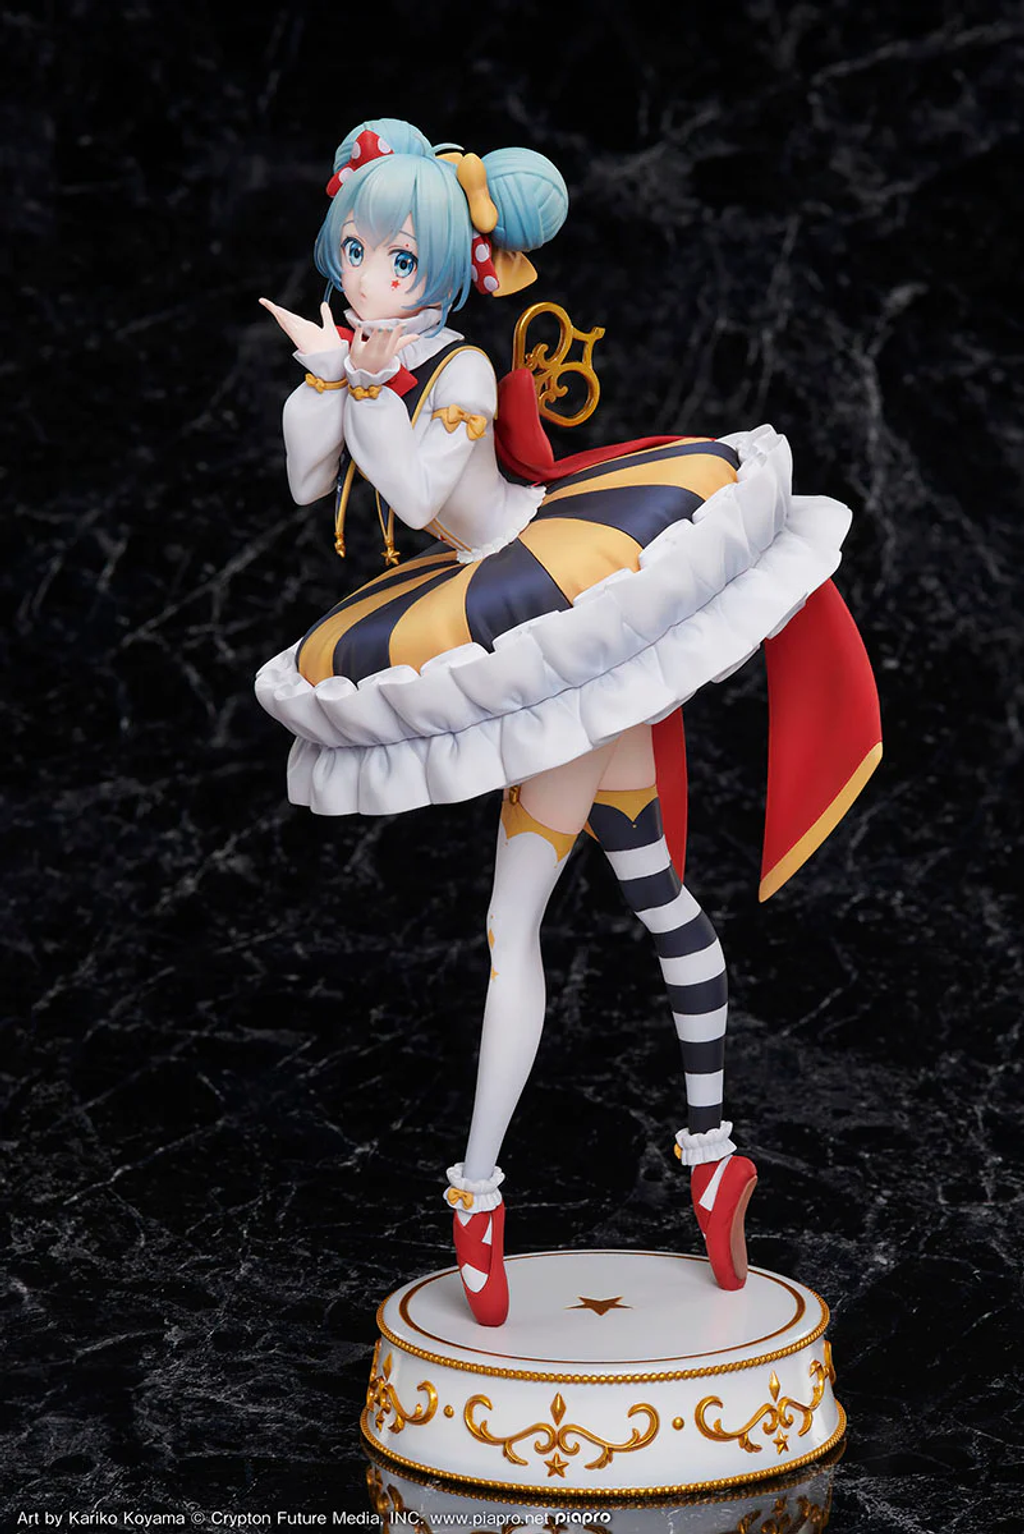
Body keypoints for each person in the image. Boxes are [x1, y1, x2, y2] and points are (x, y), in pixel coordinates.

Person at [257, 117, 881, 1326]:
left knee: (517, 925)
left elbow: (417, 492)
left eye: (398, 258)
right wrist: (329, 380)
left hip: (548, 606)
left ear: (449, 269)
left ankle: (480, 1193)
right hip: (506, 624)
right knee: (656, 894)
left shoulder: (458, 370)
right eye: (356, 252)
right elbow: (303, 478)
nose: (371, 277)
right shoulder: (375, 358)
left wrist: (361, 381)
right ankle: (712, 1155)